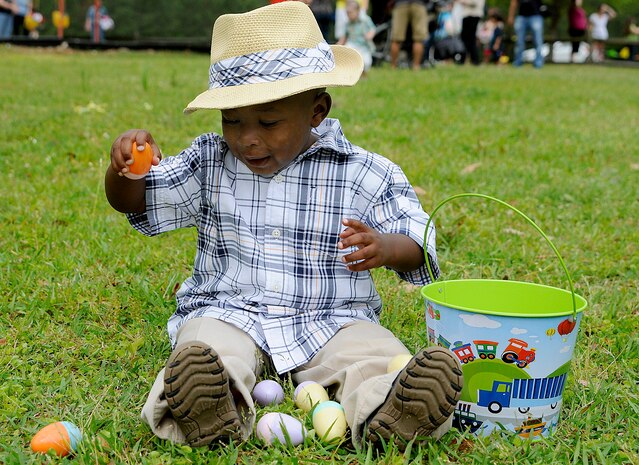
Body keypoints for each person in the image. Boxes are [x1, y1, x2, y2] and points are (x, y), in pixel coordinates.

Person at [105, 2, 462, 450]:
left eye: (268, 122)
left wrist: (388, 248)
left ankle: (390, 410)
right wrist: (125, 173)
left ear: (317, 110)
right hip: (231, 309)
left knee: (372, 354)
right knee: (205, 347)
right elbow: (139, 203)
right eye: (231, 120)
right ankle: (208, 408)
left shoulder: (363, 172)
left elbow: (420, 239)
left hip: (332, 318)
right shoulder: (210, 159)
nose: (246, 138)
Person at [338, 0, 376, 74]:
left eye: (351, 13)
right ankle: (351, 72)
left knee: (366, 62)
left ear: (358, 11)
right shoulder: (347, 23)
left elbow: (373, 28)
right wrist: (339, 44)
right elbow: (344, 37)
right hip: (352, 43)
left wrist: (370, 35)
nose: (348, 15)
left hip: (364, 45)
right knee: (348, 53)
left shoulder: (365, 19)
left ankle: (363, 74)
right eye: (347, 13)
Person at [389, 0, 429, 70]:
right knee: (418, 39)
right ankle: (416, 66)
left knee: (396, 38)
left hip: (401, 3)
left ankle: (393, 66)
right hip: (419, 3)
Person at [508, 0, 545, 68]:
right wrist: (511, 16)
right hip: (521, 16)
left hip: (536, 16)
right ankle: (518, 62)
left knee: (538, 41)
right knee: (519, 41)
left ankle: (538, 63)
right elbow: (514, 2)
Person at [458, 0, 485, 65]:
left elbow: (474, 3)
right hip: (467, 16)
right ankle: (464, 59)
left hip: (473, 16)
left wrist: (463, 1)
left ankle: (474, 60)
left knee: (470, 39)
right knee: (465, 39)